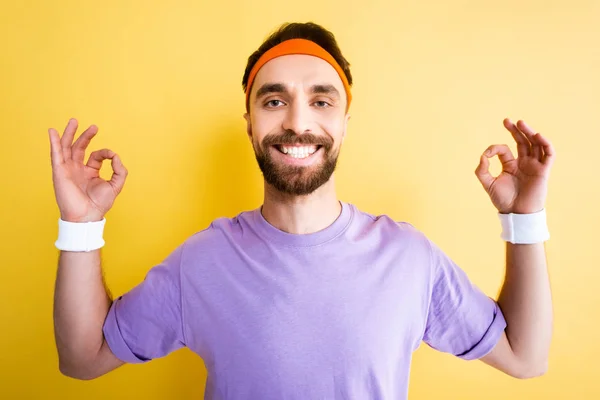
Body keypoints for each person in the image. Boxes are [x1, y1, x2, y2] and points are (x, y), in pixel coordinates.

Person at [50, 22, 555, 399]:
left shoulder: (408, 259)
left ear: (344, 122)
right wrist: (80, 225)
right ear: (249, 123)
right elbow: (82, 358)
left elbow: (525, 357)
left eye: (321, 100)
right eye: (273, 101)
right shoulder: (201, 263)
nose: (297, 122)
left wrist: (524, 219)